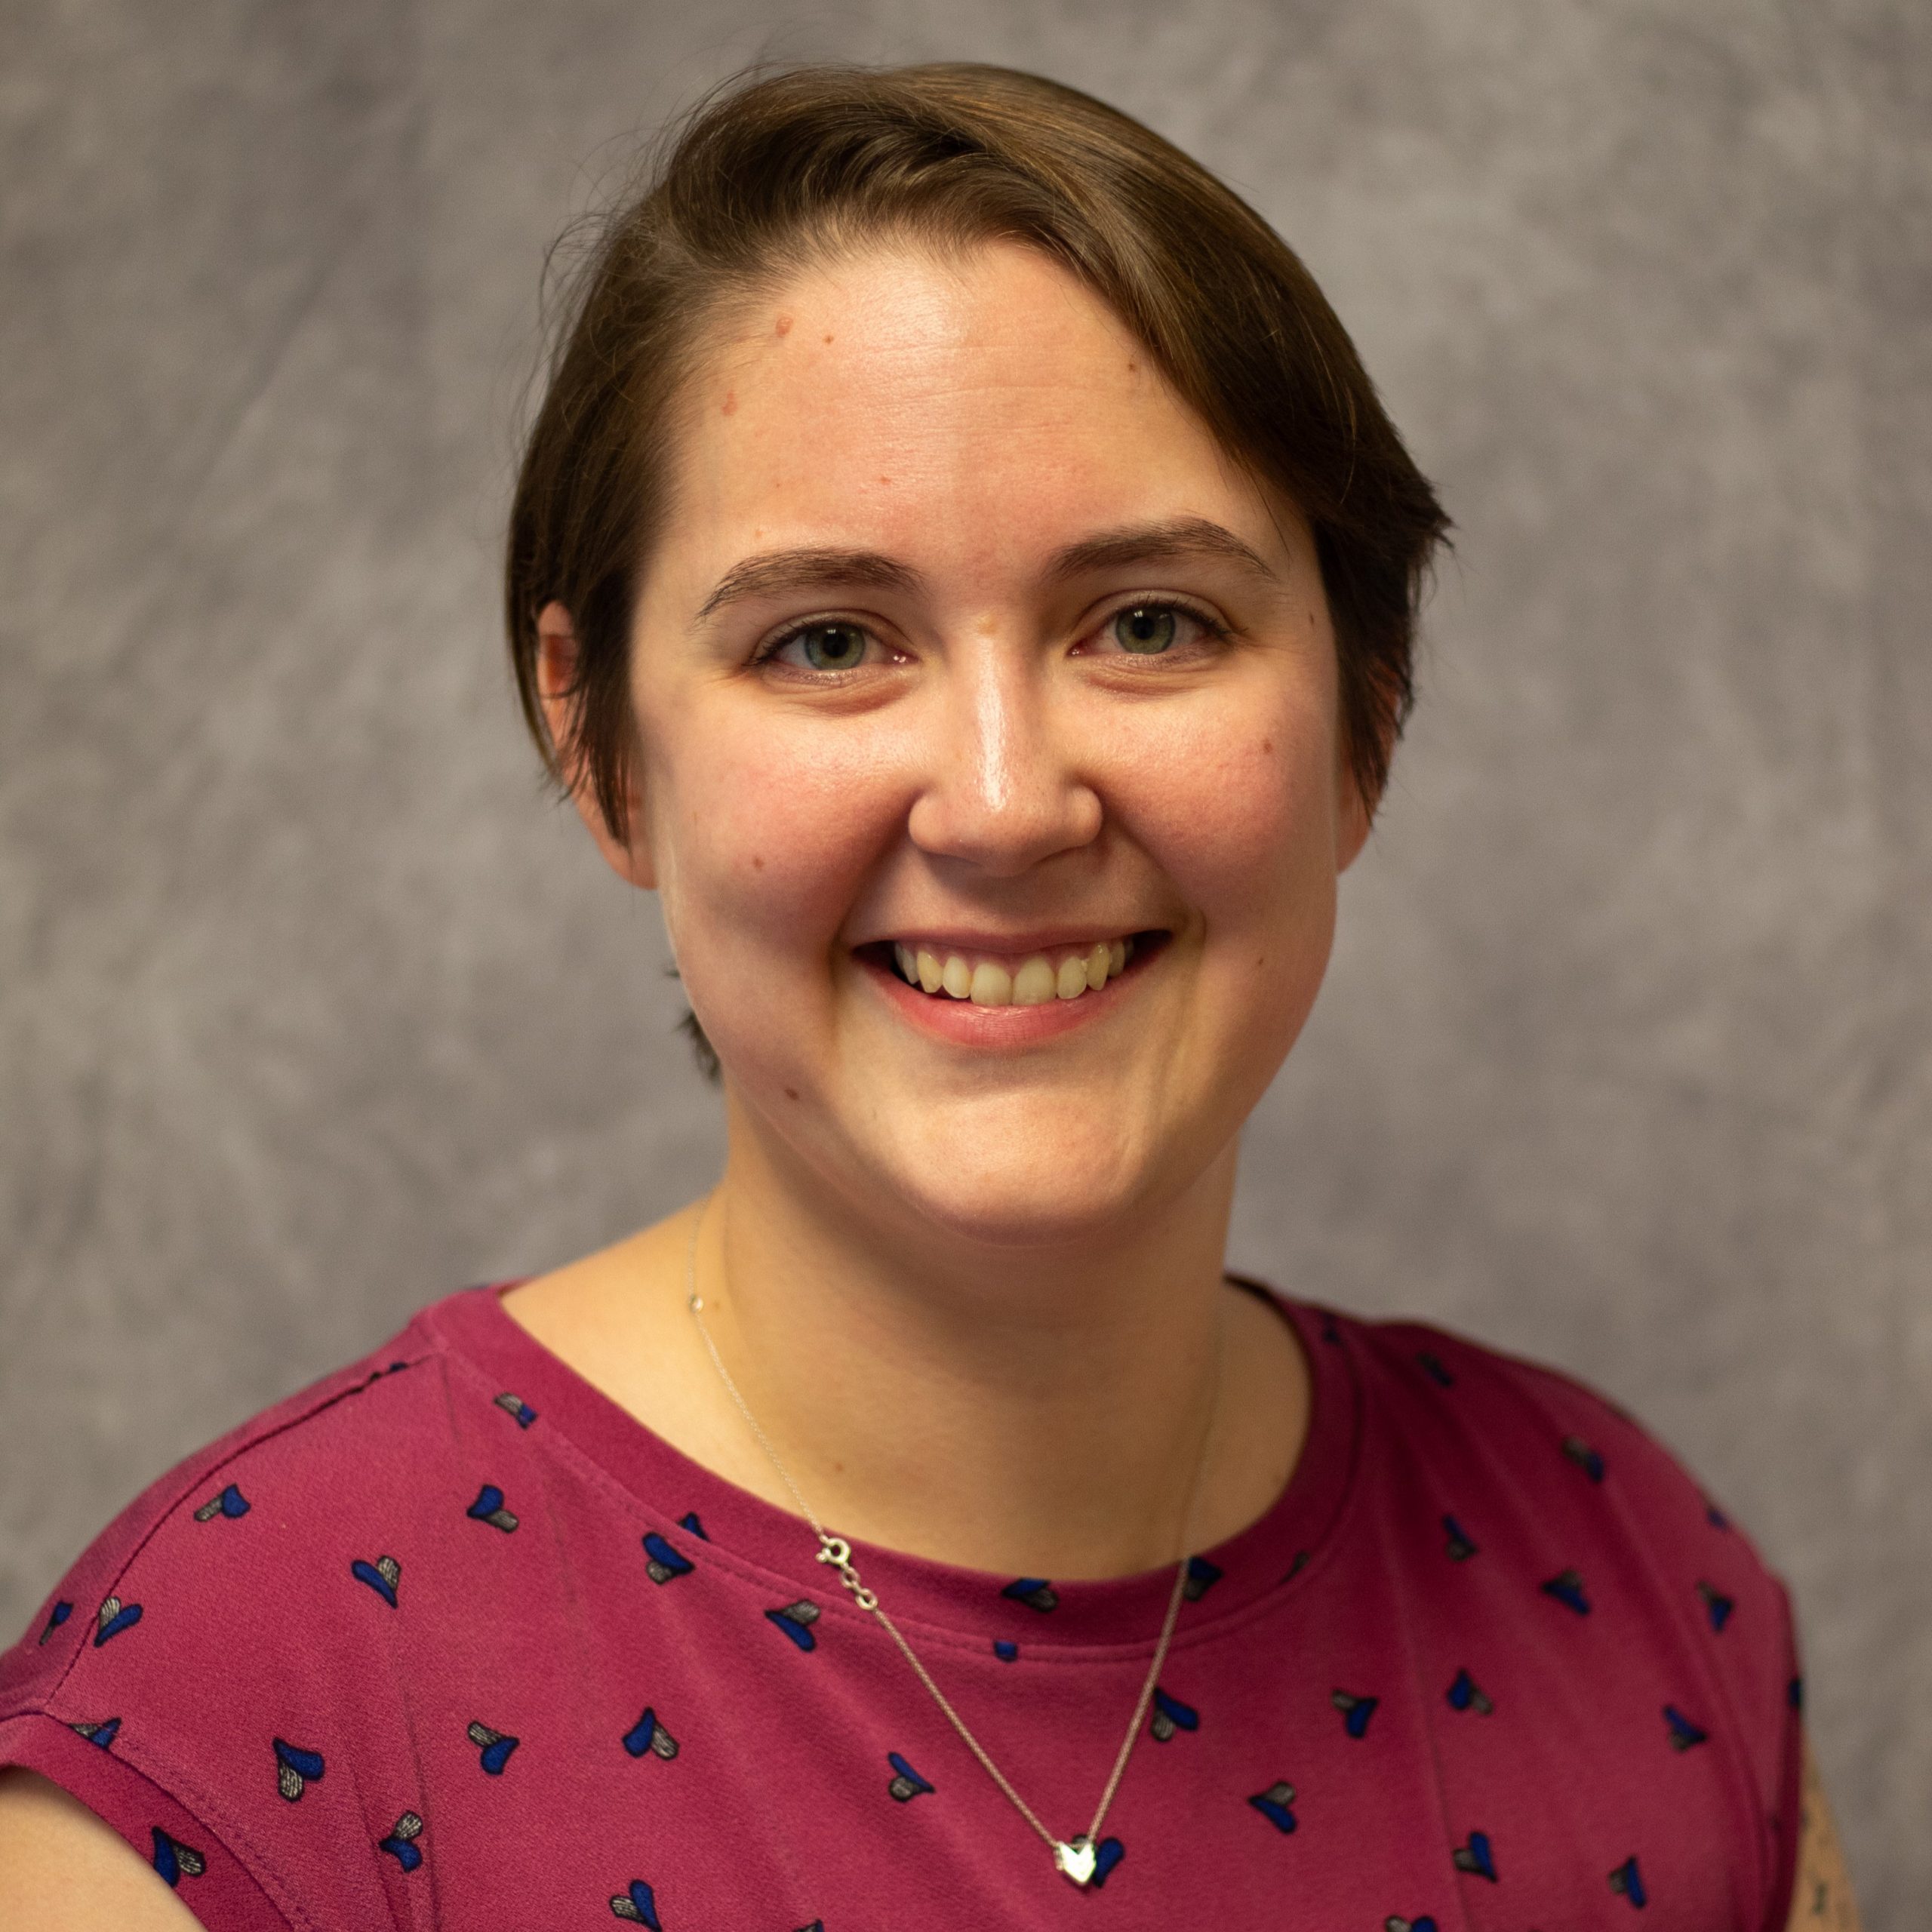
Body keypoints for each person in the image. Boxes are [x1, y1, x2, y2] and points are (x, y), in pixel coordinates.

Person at [0, 62, 1860, 1930]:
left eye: (1148, 620)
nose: (1000, 803)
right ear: (603, 750)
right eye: (825, 641)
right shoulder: (225, 1737)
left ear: (1365, 717)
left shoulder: (1634, 1596)